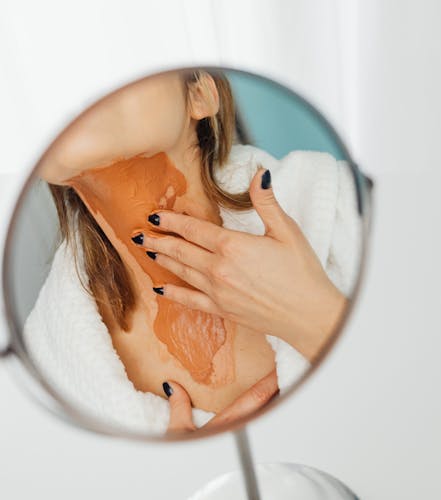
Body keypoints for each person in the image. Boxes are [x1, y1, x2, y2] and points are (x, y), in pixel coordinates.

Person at [29, 69, 354, 433]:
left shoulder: (356, 211)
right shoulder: (38, 370)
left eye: (119, 57)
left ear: (200, 94)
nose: (74, 86)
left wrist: (314, 317)